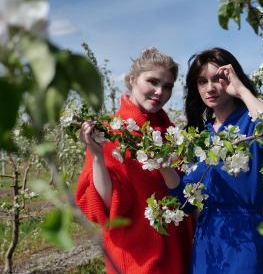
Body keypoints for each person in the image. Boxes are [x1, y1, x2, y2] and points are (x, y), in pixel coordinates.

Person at [159, 47, 263, 273]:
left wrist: (242, 90)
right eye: (201, 82)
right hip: (206, 243)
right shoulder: (199, 138)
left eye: (217, 79)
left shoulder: (250, 123)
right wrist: (163, 166)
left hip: (244, 238)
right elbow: (187, 203)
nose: (209, 88)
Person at [76, 48, 193, 274]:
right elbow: (104, 209)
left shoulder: (171, 132)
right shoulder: (109, 131)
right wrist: (98, 157)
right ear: (132, 80)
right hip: (137, 259)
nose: (160, 92)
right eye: (153, 81)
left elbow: (184, 196)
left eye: (168, 86)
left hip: (179, 253)